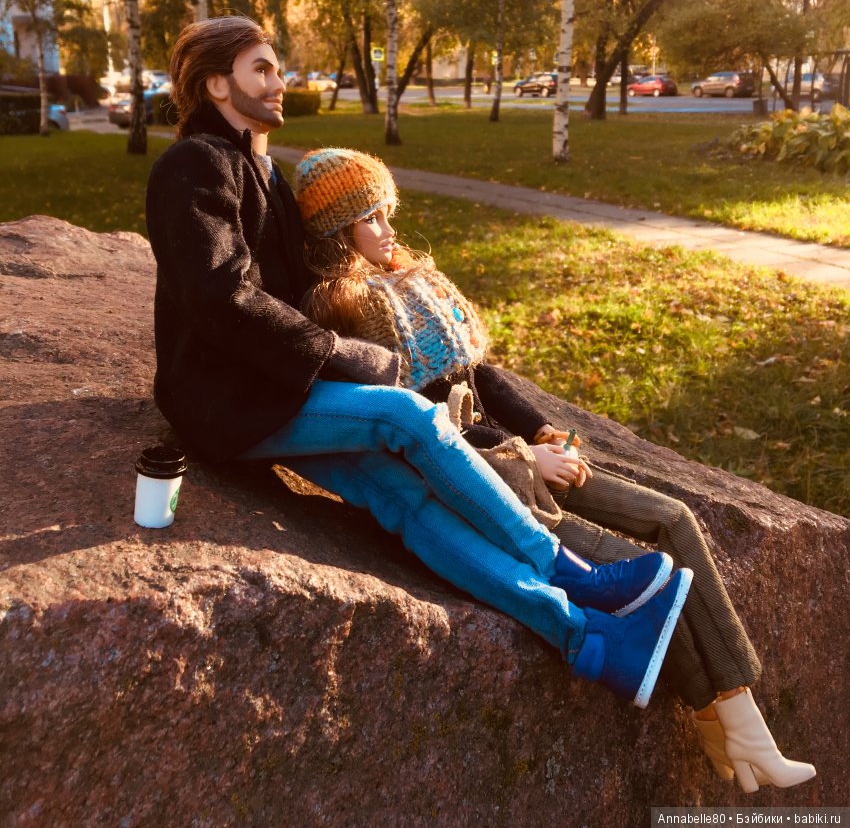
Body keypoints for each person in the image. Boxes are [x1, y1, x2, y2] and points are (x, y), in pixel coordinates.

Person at [145, 14, 692, 715]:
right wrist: (340, 353)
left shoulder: (263, 171)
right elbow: (222, 297)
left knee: (400, 499)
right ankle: (574, 573)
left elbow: (307, 275)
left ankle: (590, 639)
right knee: (408, 416)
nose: (280, 81)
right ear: (218, 84)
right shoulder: (193, 166)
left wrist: (372, 292)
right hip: (225, 402)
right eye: (262, 69)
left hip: (274, 391)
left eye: (277, 67)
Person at [292, 145, 816, 796]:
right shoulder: (341, 310)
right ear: (336, 232)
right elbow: (419, 429)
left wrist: (540, 428)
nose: (387, 228)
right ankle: (720, 722)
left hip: (528, 454)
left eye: (386, 211)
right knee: (650, 579)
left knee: (675, 517)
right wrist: (522, 454)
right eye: (369, 218)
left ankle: (742, 714)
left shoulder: (414, 279)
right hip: (492, 485)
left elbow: (479, 376)